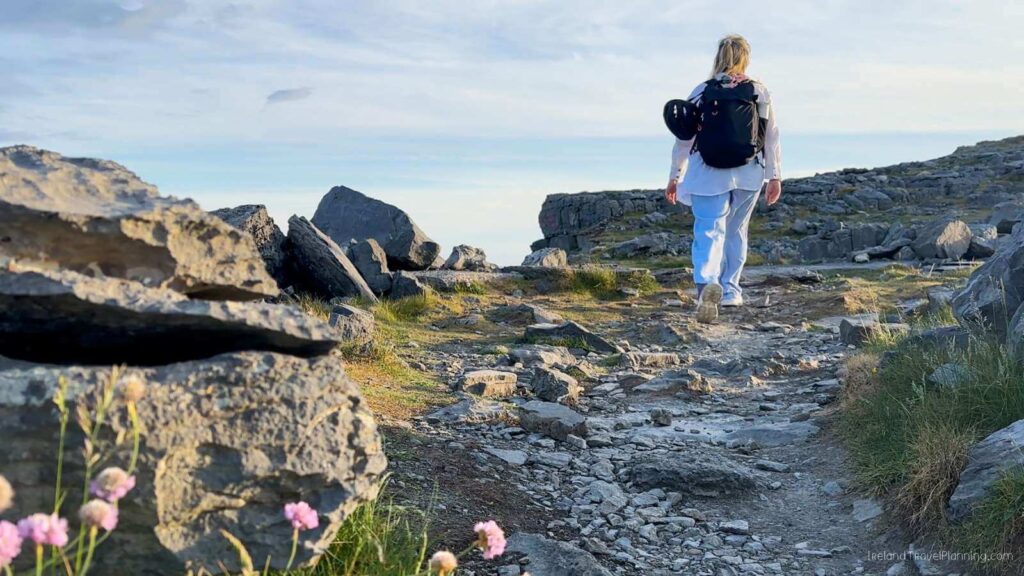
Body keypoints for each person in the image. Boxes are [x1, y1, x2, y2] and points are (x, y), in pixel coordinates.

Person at [665, 34, 782, 323]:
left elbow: (684, 137)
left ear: (718, 56)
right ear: (745, 57)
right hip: (749, 172)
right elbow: (771, 137)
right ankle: (730, 290)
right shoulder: (758, 90)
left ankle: (706, 285)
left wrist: (675, 176)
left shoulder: (701, 91)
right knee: (736, 231)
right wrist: (774, 176)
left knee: (708, 229)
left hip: (707, 173)